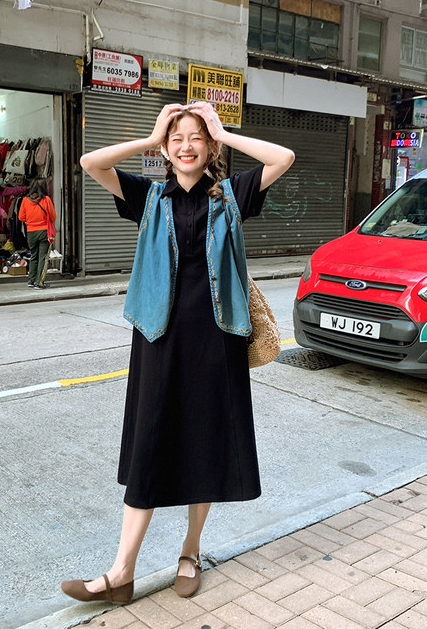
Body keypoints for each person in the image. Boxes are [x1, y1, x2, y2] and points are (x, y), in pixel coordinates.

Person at [61, 102, 295, 605]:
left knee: (204, 444)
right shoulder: (148, 196)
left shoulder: (232, 194)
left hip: (217, 340)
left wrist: (222, 130)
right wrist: (150, 138)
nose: (186, 146)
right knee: (149, 445)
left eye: (196, 137)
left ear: (209, 147)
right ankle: (121, 572)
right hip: (158, 339)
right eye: (177, 138)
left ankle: (190, 552)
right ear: (166, 150)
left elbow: (283, 157)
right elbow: (90, 163)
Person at [18, 178, 56, 289]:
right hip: (44, 232)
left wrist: (31, 220)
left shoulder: (25, 200)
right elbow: (53, 217)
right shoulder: (46, 200)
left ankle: (31, 280)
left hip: (31, 232)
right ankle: (39, 282)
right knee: (43, 257)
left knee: (34, 255)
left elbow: (21, 217)